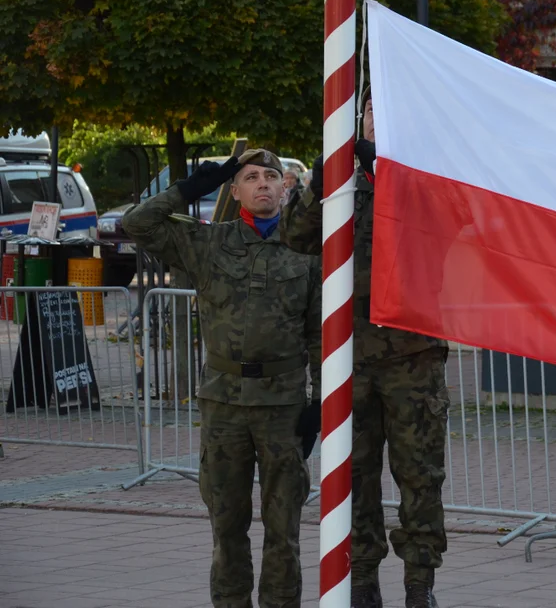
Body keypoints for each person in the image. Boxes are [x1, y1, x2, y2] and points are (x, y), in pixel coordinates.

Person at [123, 150, 323, 608]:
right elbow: (137, 223)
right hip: (224, 406)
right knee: (226, 526)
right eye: (250, 177)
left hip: (283, 406)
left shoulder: (307, 249)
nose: (263, 184)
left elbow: (318, 331)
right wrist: (189, 189)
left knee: (284, 527)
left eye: (272, 176)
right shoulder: (209, 243)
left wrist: (319, 401)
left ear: (286, 188)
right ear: (235, 192)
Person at [282, 94, 449, 608]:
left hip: (411, 359)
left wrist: (390, 170)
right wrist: (321, 180)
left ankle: (420, 585)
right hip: (348, 359)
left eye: (390, 108)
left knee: (420, 476)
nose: (378, 118)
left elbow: (449, 228)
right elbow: (296, 237)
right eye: (372, 109)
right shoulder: (342, 182)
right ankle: (362, 581)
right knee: (353, 475)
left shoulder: (427, 178)